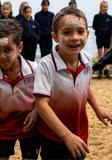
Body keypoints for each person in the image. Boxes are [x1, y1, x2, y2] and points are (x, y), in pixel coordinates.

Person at [33, 7, 112, 160]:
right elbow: (41, 104)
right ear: (55, 36)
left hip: (80, 131)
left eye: (80, 32)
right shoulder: (45, 65)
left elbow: (84, 87)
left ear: (88, 35)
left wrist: (97, 108)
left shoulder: (87, 60)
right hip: (53, 136)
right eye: (67, 32)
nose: (75, 37)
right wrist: (66, 136)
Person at [0, 19, 40, 160]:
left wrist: (36, 112)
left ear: (19, 47)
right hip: (3, 127)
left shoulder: (35, 70)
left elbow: (45, 96)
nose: (1, 56)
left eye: (7, 50)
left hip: (30, 126)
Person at [92, 0, 112, 78]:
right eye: (104, 7)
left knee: (107, 54)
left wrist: (108, 30)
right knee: (100, 53)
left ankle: (106, 71)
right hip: (99, 37)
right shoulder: (96, 16)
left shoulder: (110, 17)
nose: (106, 8)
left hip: (107, 37)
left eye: (107, 7)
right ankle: (100, 70)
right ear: (100, 7)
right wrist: (101, 29)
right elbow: (94, 26)